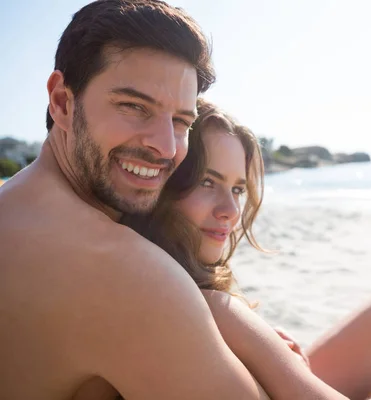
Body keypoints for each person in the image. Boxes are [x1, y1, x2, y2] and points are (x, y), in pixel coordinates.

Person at [122, 99, 371, 400]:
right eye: (207, 183)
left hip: (292, 386)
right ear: (165, 185)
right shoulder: (204, 306)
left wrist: (266, 353)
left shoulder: (157, 279)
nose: (230, 211)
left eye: (238, 189)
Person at [0, 1, 272, 399]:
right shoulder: (123, 271)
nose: (165, 148)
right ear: (61, 102)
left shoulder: (15, 208)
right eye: (134, 107)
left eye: (181, 122)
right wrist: (238, 328)